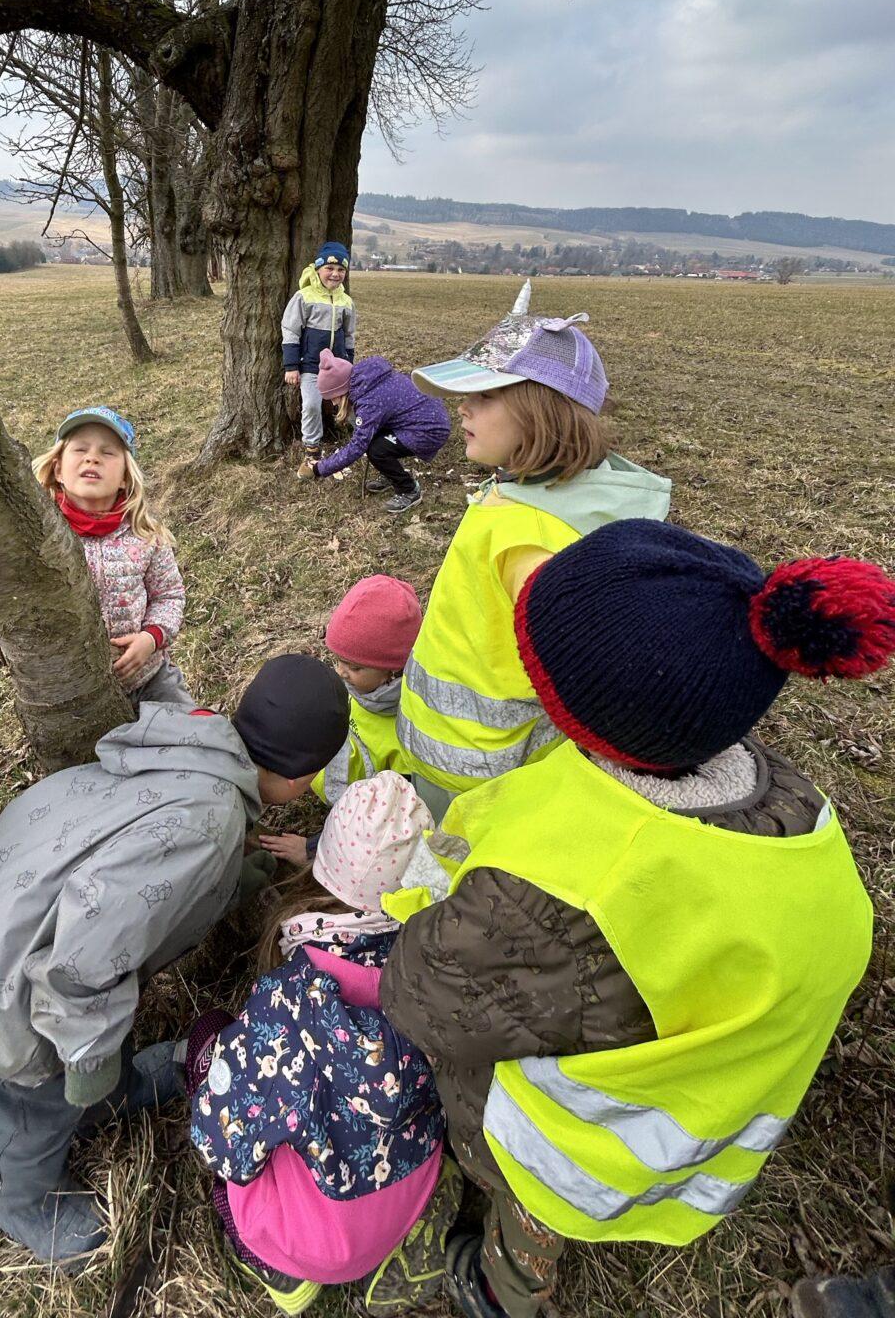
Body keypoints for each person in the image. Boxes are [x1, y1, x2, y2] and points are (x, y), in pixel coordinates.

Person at [377, 520, 895, 1318]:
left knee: (510, 1167)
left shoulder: (569, 891)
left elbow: (422, 998)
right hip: (724, 1091)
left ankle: (505, 1283)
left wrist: (405, 898)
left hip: (594, 1150)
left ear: (586, 719)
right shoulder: (787, 797)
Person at [0, 655, 350, 1267]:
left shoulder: (186, 740)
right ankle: (20, 1200)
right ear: (303, 777)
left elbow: (138, 866)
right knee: (44, 1108)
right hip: (12, 1000)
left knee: (91, 1070)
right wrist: (84, 1059)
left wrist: (227, 881)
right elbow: (86, 952)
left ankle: (118, 1087)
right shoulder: (209, 822)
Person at [184, 773, 459, 1314]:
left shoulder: (289, 1002)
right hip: (407, 1191)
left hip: (316, 1241)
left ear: (323, 869)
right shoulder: (441, 974)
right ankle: (409, 1235)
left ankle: (279, 1271)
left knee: (206, 1041)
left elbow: (217, 1139)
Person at [398, 298, 670, 807]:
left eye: (487, 394)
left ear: (540, 411)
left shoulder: (531, 537)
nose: (464, 407)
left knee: (448, 871)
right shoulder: (532, 494)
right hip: (471, 753)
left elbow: (580, 655)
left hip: (471, 765)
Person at [261, 575, 421, 868]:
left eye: (354, 667)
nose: (341, 672)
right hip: (322, 790)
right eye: (338, 660)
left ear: (393, 670)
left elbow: (386, 822)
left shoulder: (410, 733)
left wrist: (313, 848)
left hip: (356, 821)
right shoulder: (349, 689)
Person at [34, 405, 190, 706]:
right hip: (73, 691)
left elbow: (169, 595)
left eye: (107, 453)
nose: (92, 457)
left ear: (124, 476)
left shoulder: (146, 536)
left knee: (193, 739)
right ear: (58, 470)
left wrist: (152, 638)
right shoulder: (39, 536)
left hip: (149, 678)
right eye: (80, 449)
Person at [298, 350, 451, 514]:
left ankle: (409, 490)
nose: (334, 403)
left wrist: (320, 468)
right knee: (376, 439)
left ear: (342, 391)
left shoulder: (370, 402)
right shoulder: (368, 381)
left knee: (377, 450)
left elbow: (357, 446)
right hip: (421, 418)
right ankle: (390, 475)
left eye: (333, 397)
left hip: (429, 429)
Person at [281, 243, 357, 460]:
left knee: (350, 403)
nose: (335, 274)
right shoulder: (304, 297)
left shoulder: (346, 301)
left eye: (341, 269)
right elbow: (291, 329)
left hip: (339, 367)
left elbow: (350, 334)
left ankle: (363, 438)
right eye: (329, 268)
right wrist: (291, 366)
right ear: (318, 269)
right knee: (312, 405)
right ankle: (312, 449)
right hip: (311, 365)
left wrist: (348, 362)